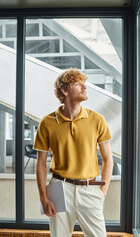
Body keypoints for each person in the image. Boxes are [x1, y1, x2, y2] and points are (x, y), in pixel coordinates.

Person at [33, 68, 113, 237]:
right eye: (78, 84)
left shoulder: (97, 120)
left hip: (90, 188)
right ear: (65, 90)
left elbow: (108, 159)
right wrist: (44, 198)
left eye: (84, 84)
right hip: (59, 189)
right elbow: (40, 163)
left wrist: (102, 193)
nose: (85, 87)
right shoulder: (47, 123)